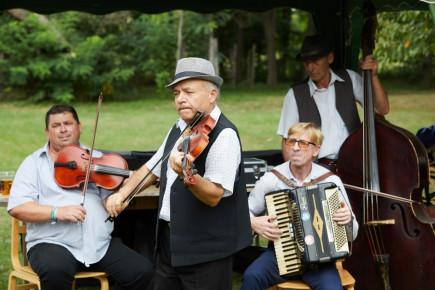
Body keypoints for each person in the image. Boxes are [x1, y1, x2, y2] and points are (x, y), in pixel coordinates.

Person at [105, 57, 252, 289]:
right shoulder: (180, 126)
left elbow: (214, 195)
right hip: (170, 241)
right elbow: (151, 169)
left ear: (212, 95)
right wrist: (122, 195)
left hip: (206, 250)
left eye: (189, 92)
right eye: (176, 93)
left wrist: (186, 175)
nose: (180, 99)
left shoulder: (224, 135)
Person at [7, 105, 153, 290]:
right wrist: (56, 212)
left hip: (98, 245)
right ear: (47, 132)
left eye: (68, 123)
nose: (63, 129)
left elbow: (107, 201)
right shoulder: (34, 163)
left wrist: (121, 194)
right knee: (56, 271)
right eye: (56, 125)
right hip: (52, 242)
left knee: (142, 271)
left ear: (79, 127)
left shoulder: (98, 160)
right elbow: (18, 207)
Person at [241, 122, 358, 290]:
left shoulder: (330, 181)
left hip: (320, 262)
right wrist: (253, 222)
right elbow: (244, 212)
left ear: (316, 150)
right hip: (279, 256)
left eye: (302, 143)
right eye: (291, 141)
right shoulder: (272, 178)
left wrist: (348, 220)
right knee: (252, 277)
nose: (295, 148)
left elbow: (353, 234)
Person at [277, 34, 390, 169]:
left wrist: (373, 77)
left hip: (354, 166)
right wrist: (296, 179)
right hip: (317, 170)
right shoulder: (295, 95)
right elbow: (287, 142)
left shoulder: (350, 78)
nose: (310, 68)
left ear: (329, 58)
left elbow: (381, 109)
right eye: (306, 62)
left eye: (315, 60)